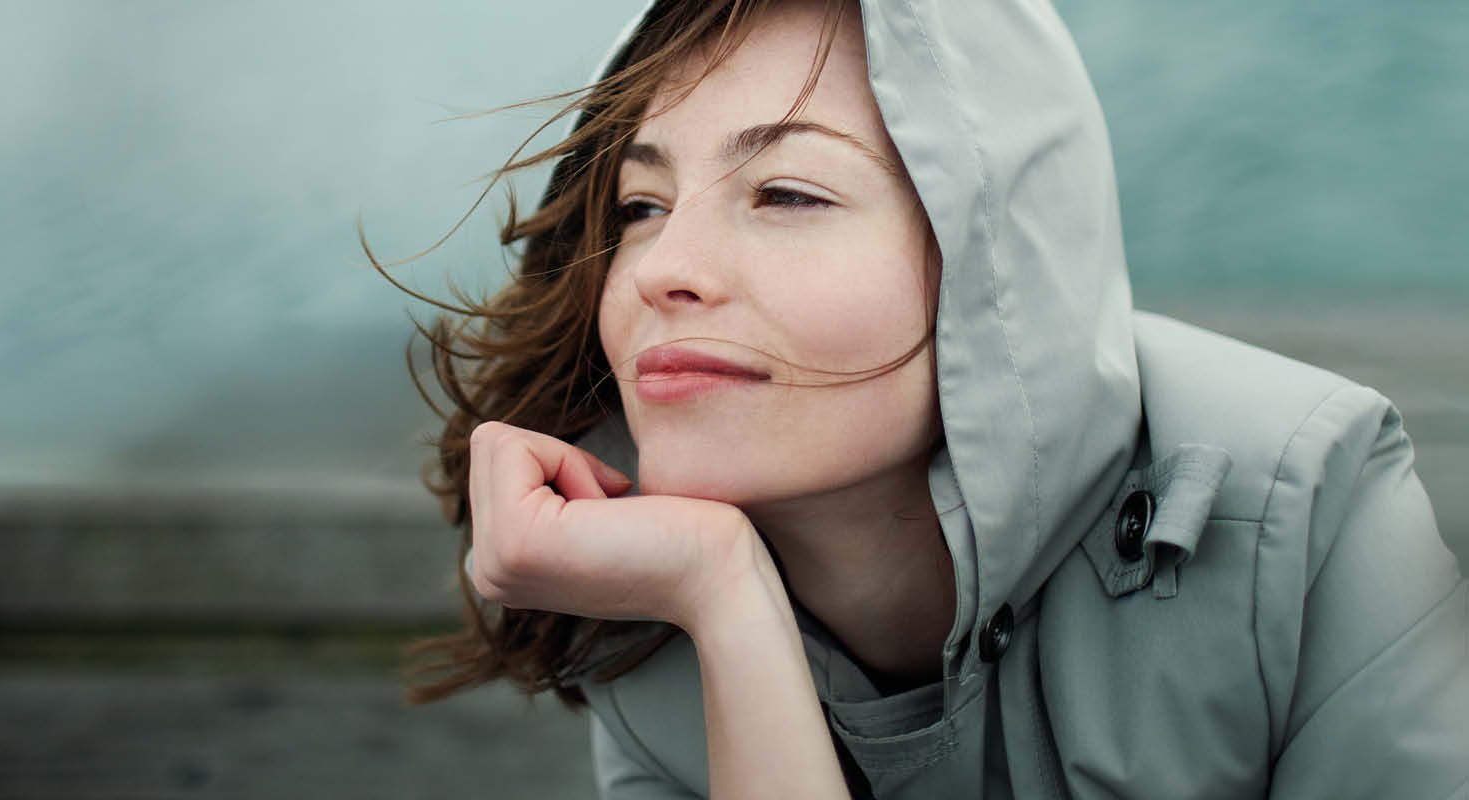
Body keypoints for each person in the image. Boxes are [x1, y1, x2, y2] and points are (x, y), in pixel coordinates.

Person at [384, 0, 1469, 797]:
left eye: (787, 192)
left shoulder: (1307, 490)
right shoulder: (643, 593)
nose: (670, 262)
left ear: (999, 253)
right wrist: (722, 597)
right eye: (641, 203)